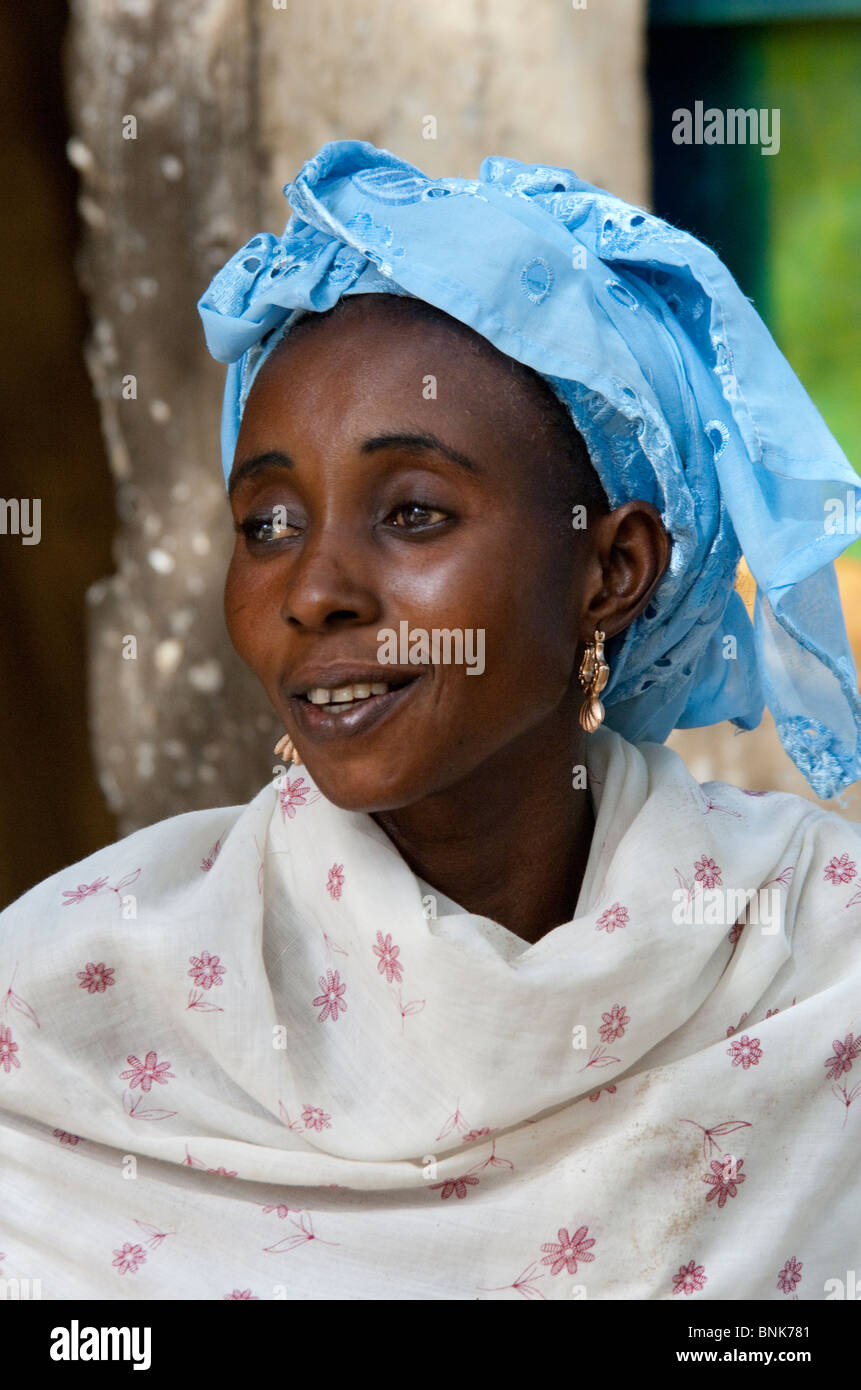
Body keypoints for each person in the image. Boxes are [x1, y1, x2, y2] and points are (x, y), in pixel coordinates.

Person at [1, 140, 860, 1301]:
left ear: (613, 569)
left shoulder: (816, 961)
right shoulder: (68, 1014)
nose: (314, 591)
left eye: (411, 512)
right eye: (267, 525)